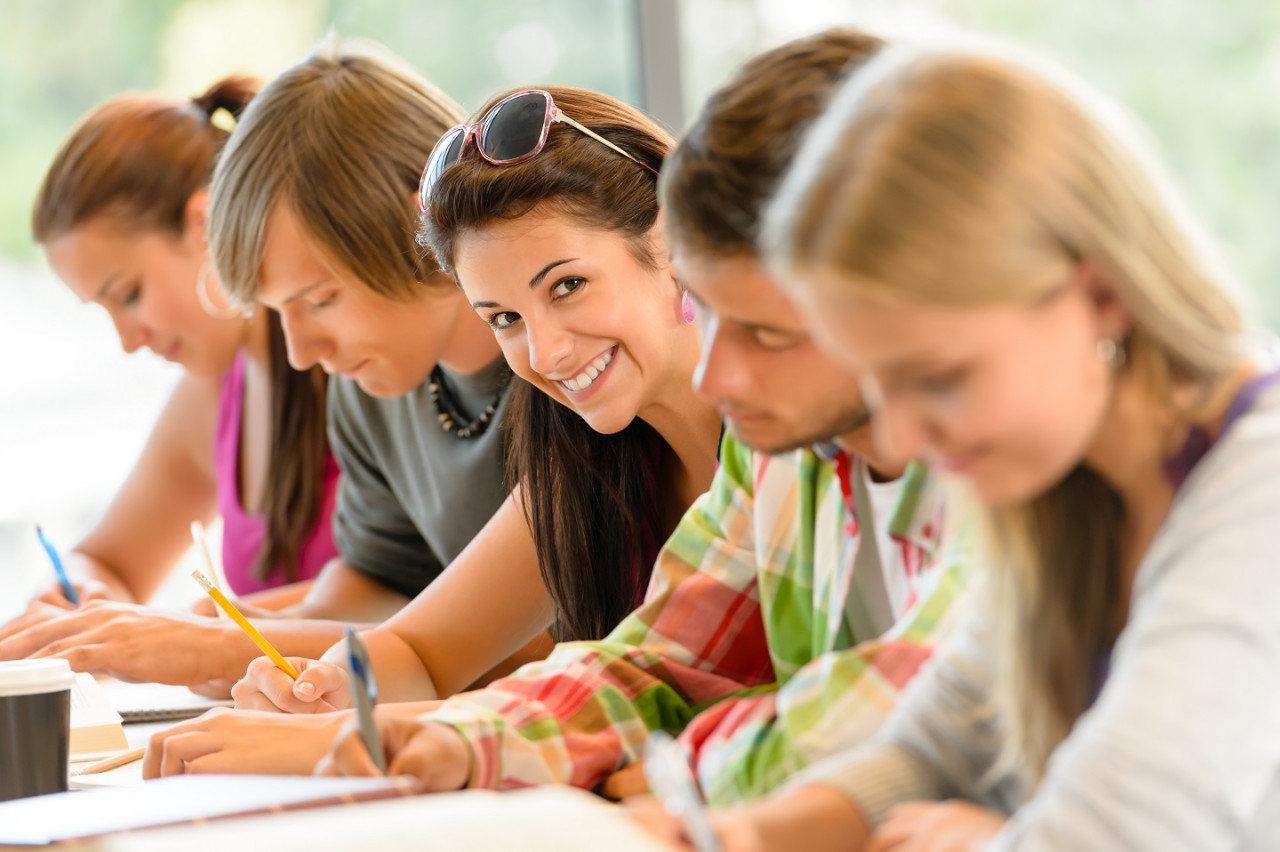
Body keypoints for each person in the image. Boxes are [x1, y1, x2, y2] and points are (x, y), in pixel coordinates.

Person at [308, 30, 969, 805]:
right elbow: (654, 662)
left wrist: (673, 777)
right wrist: (455, 741)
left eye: (764, 330)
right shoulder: (781, 457)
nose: (716, 373)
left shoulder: (994, 460)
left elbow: (914, 703)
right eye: (503, 317)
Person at [666, 41, 1280, 850]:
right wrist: (729, 838)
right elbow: (928, 756)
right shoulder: (1070, 485)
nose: (901, 434)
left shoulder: (1258, 488)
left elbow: (1125, 831)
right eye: (879, 379)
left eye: (940, 377)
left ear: (1100, 295)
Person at [143, 82, 727, 777]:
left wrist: (366, 735)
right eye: (504, 318)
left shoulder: (784, 447)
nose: (544, 355)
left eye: (567, 286)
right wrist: (331, 688)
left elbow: (675, 700)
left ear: (671, 236)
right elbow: (419, 650)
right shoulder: (585, 456)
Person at [0, 40, 526, 693]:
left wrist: (218, 646)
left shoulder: (551, 371)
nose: (303, 352)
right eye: (279, 312)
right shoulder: (369, 392)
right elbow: (378, 585)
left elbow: (493, 646)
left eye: (319, 300)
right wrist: (240, 631)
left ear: (414, 222)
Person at [1, 77, 337, 642]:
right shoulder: (214, 395)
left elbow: (412, 592)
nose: (128, 341)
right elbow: (109, 562)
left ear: (204, 228)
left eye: (128, 294)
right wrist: (83, 592)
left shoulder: (357, 359)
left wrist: (186, 634)